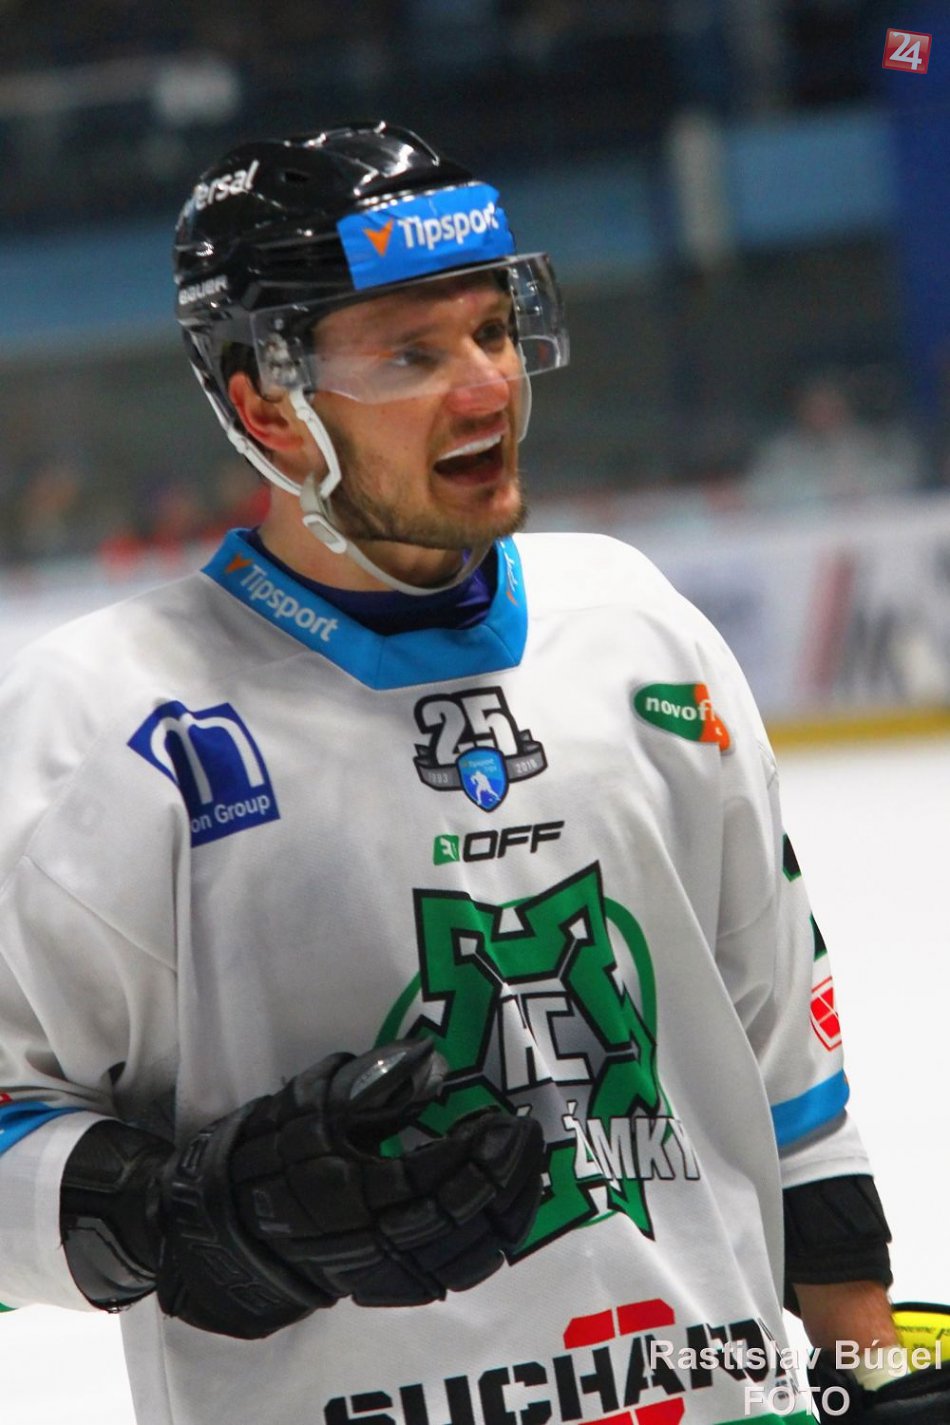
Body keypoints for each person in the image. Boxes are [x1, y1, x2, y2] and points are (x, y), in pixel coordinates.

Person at [0, 121, 946, 1425]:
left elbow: (782, 1059)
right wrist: (187, 1215)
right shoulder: (103, 724)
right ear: (264, 404)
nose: (488, 387)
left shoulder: (637, 632)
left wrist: (867, 1369)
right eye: (411, 353)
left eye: (495, 331)